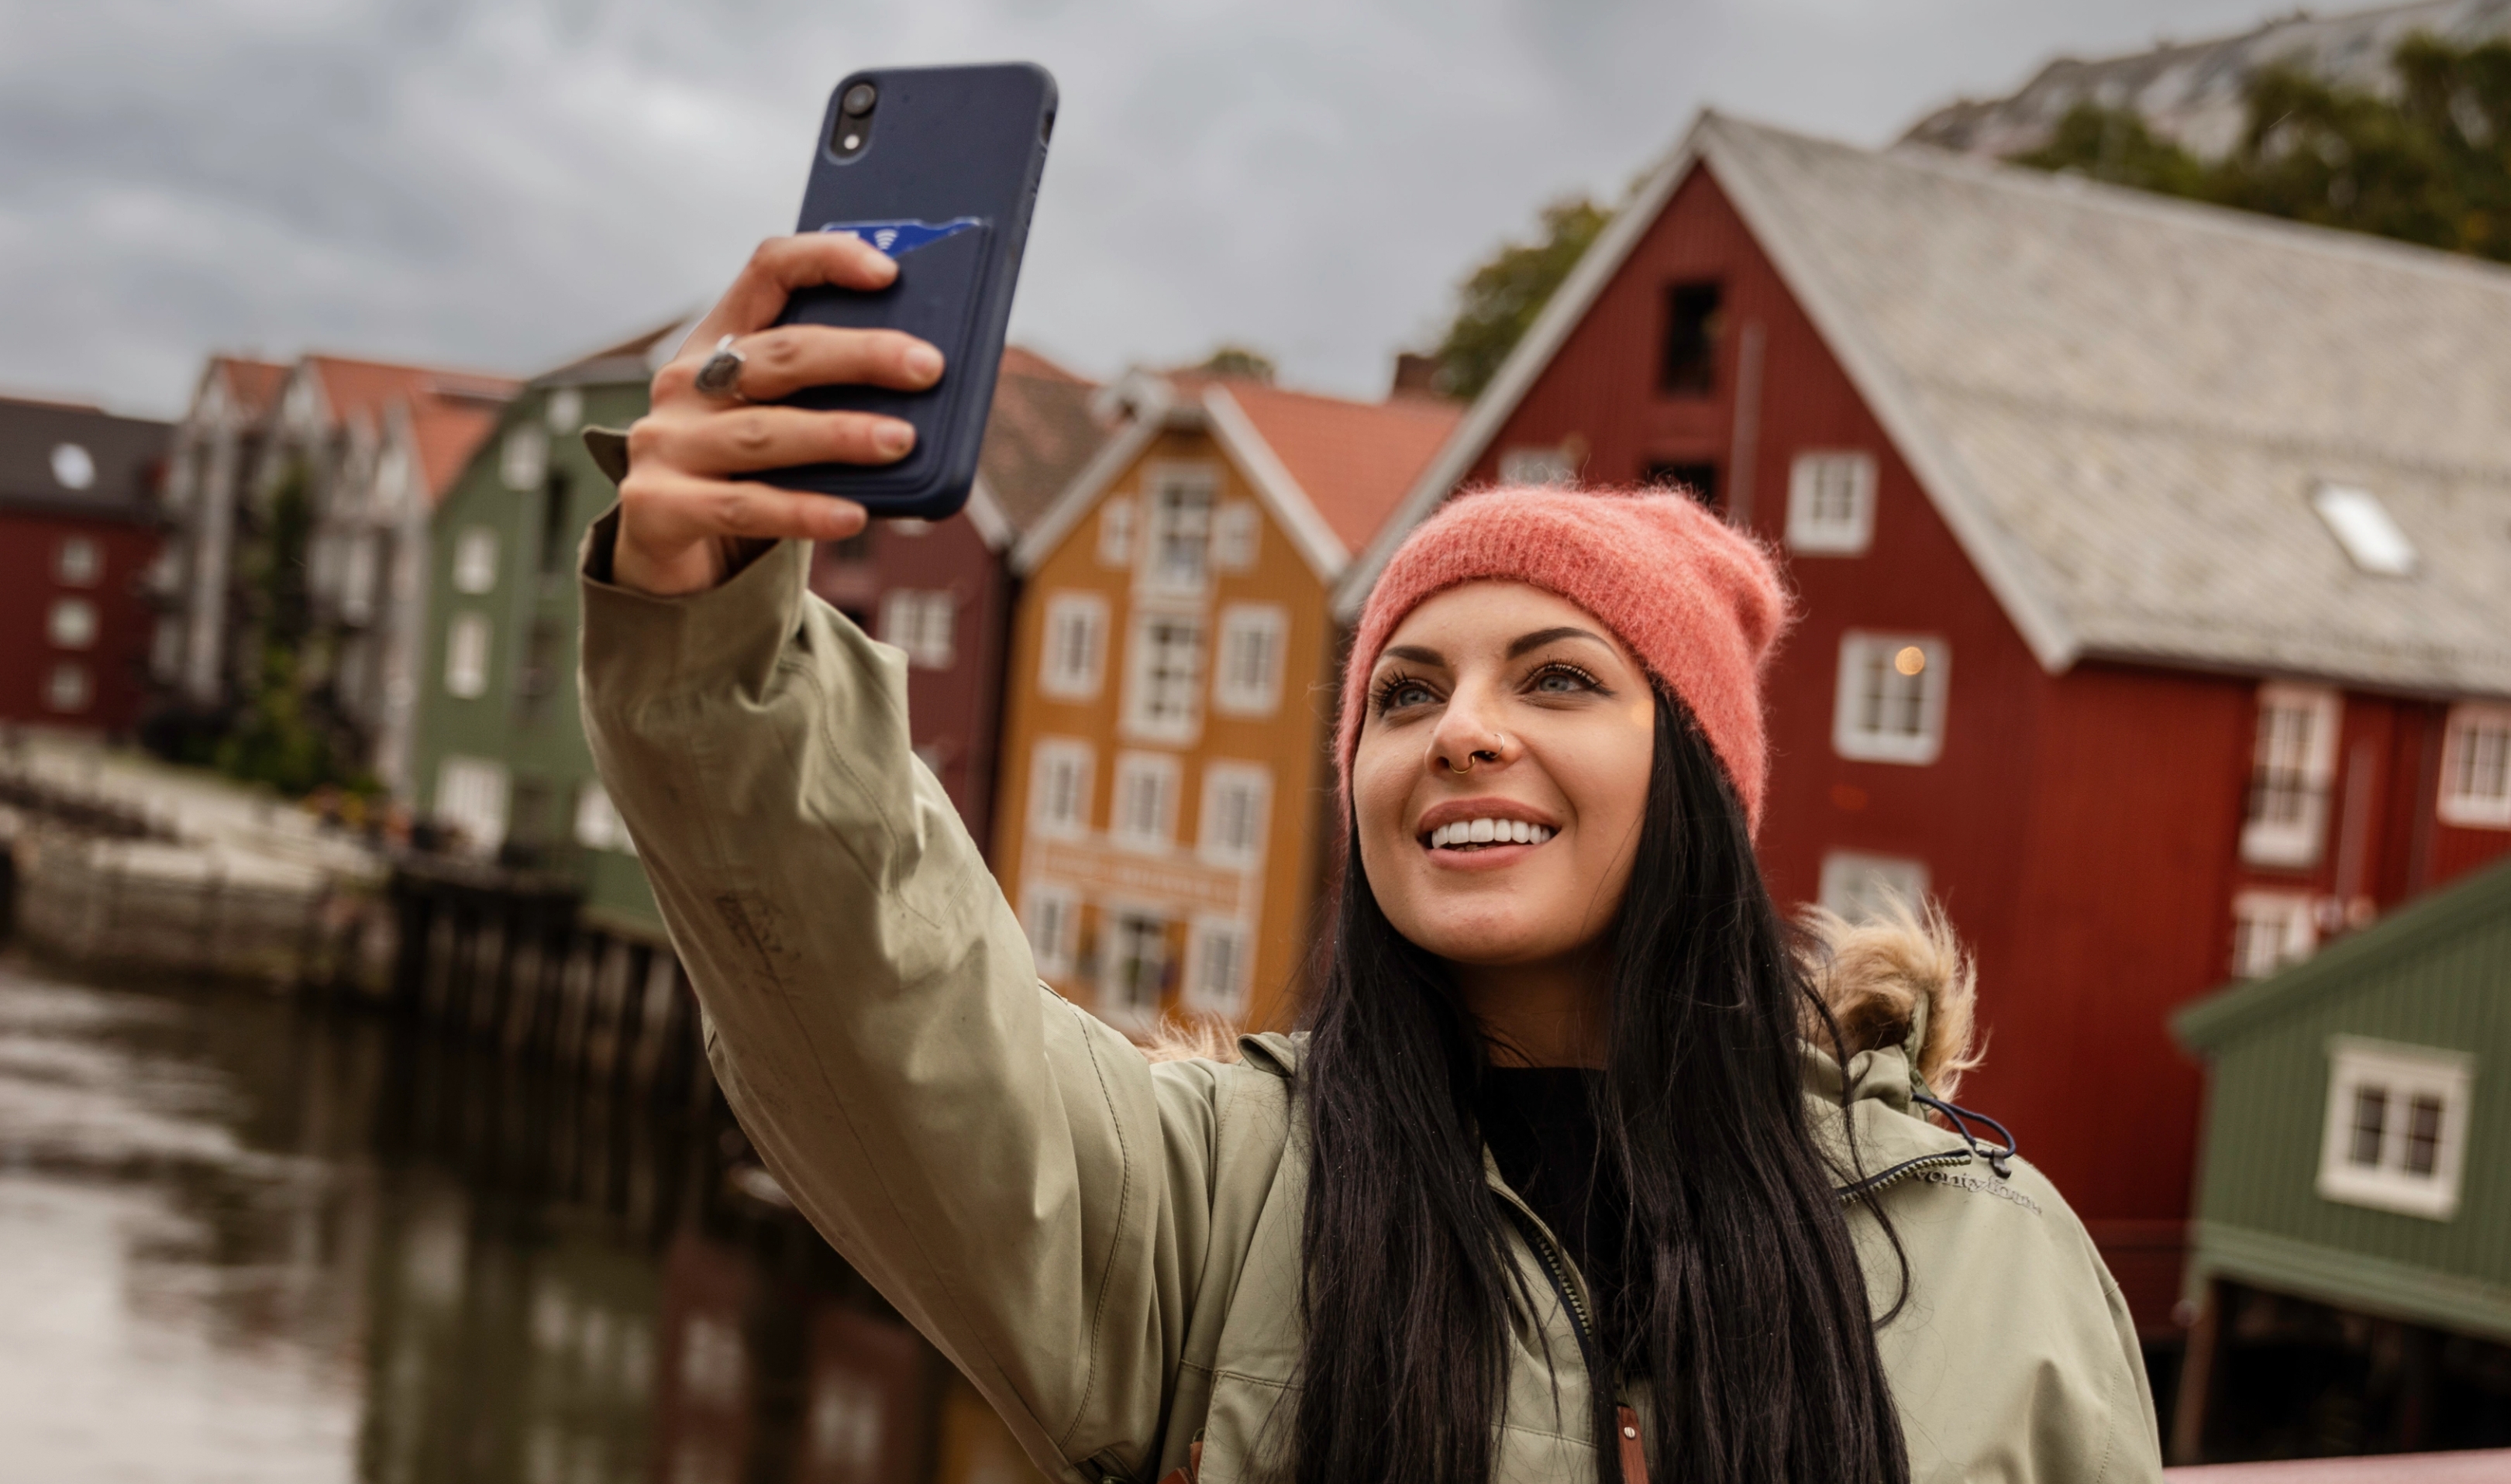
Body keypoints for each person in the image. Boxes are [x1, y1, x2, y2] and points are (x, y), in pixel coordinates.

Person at [580, 235, 2159, 1484]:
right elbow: (882, 999)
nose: (1459, 732)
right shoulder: (1215, 1209)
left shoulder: (1986, 1258)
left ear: (1695, 786)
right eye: (1405, 694)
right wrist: (718, 635)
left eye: (1556, 678)